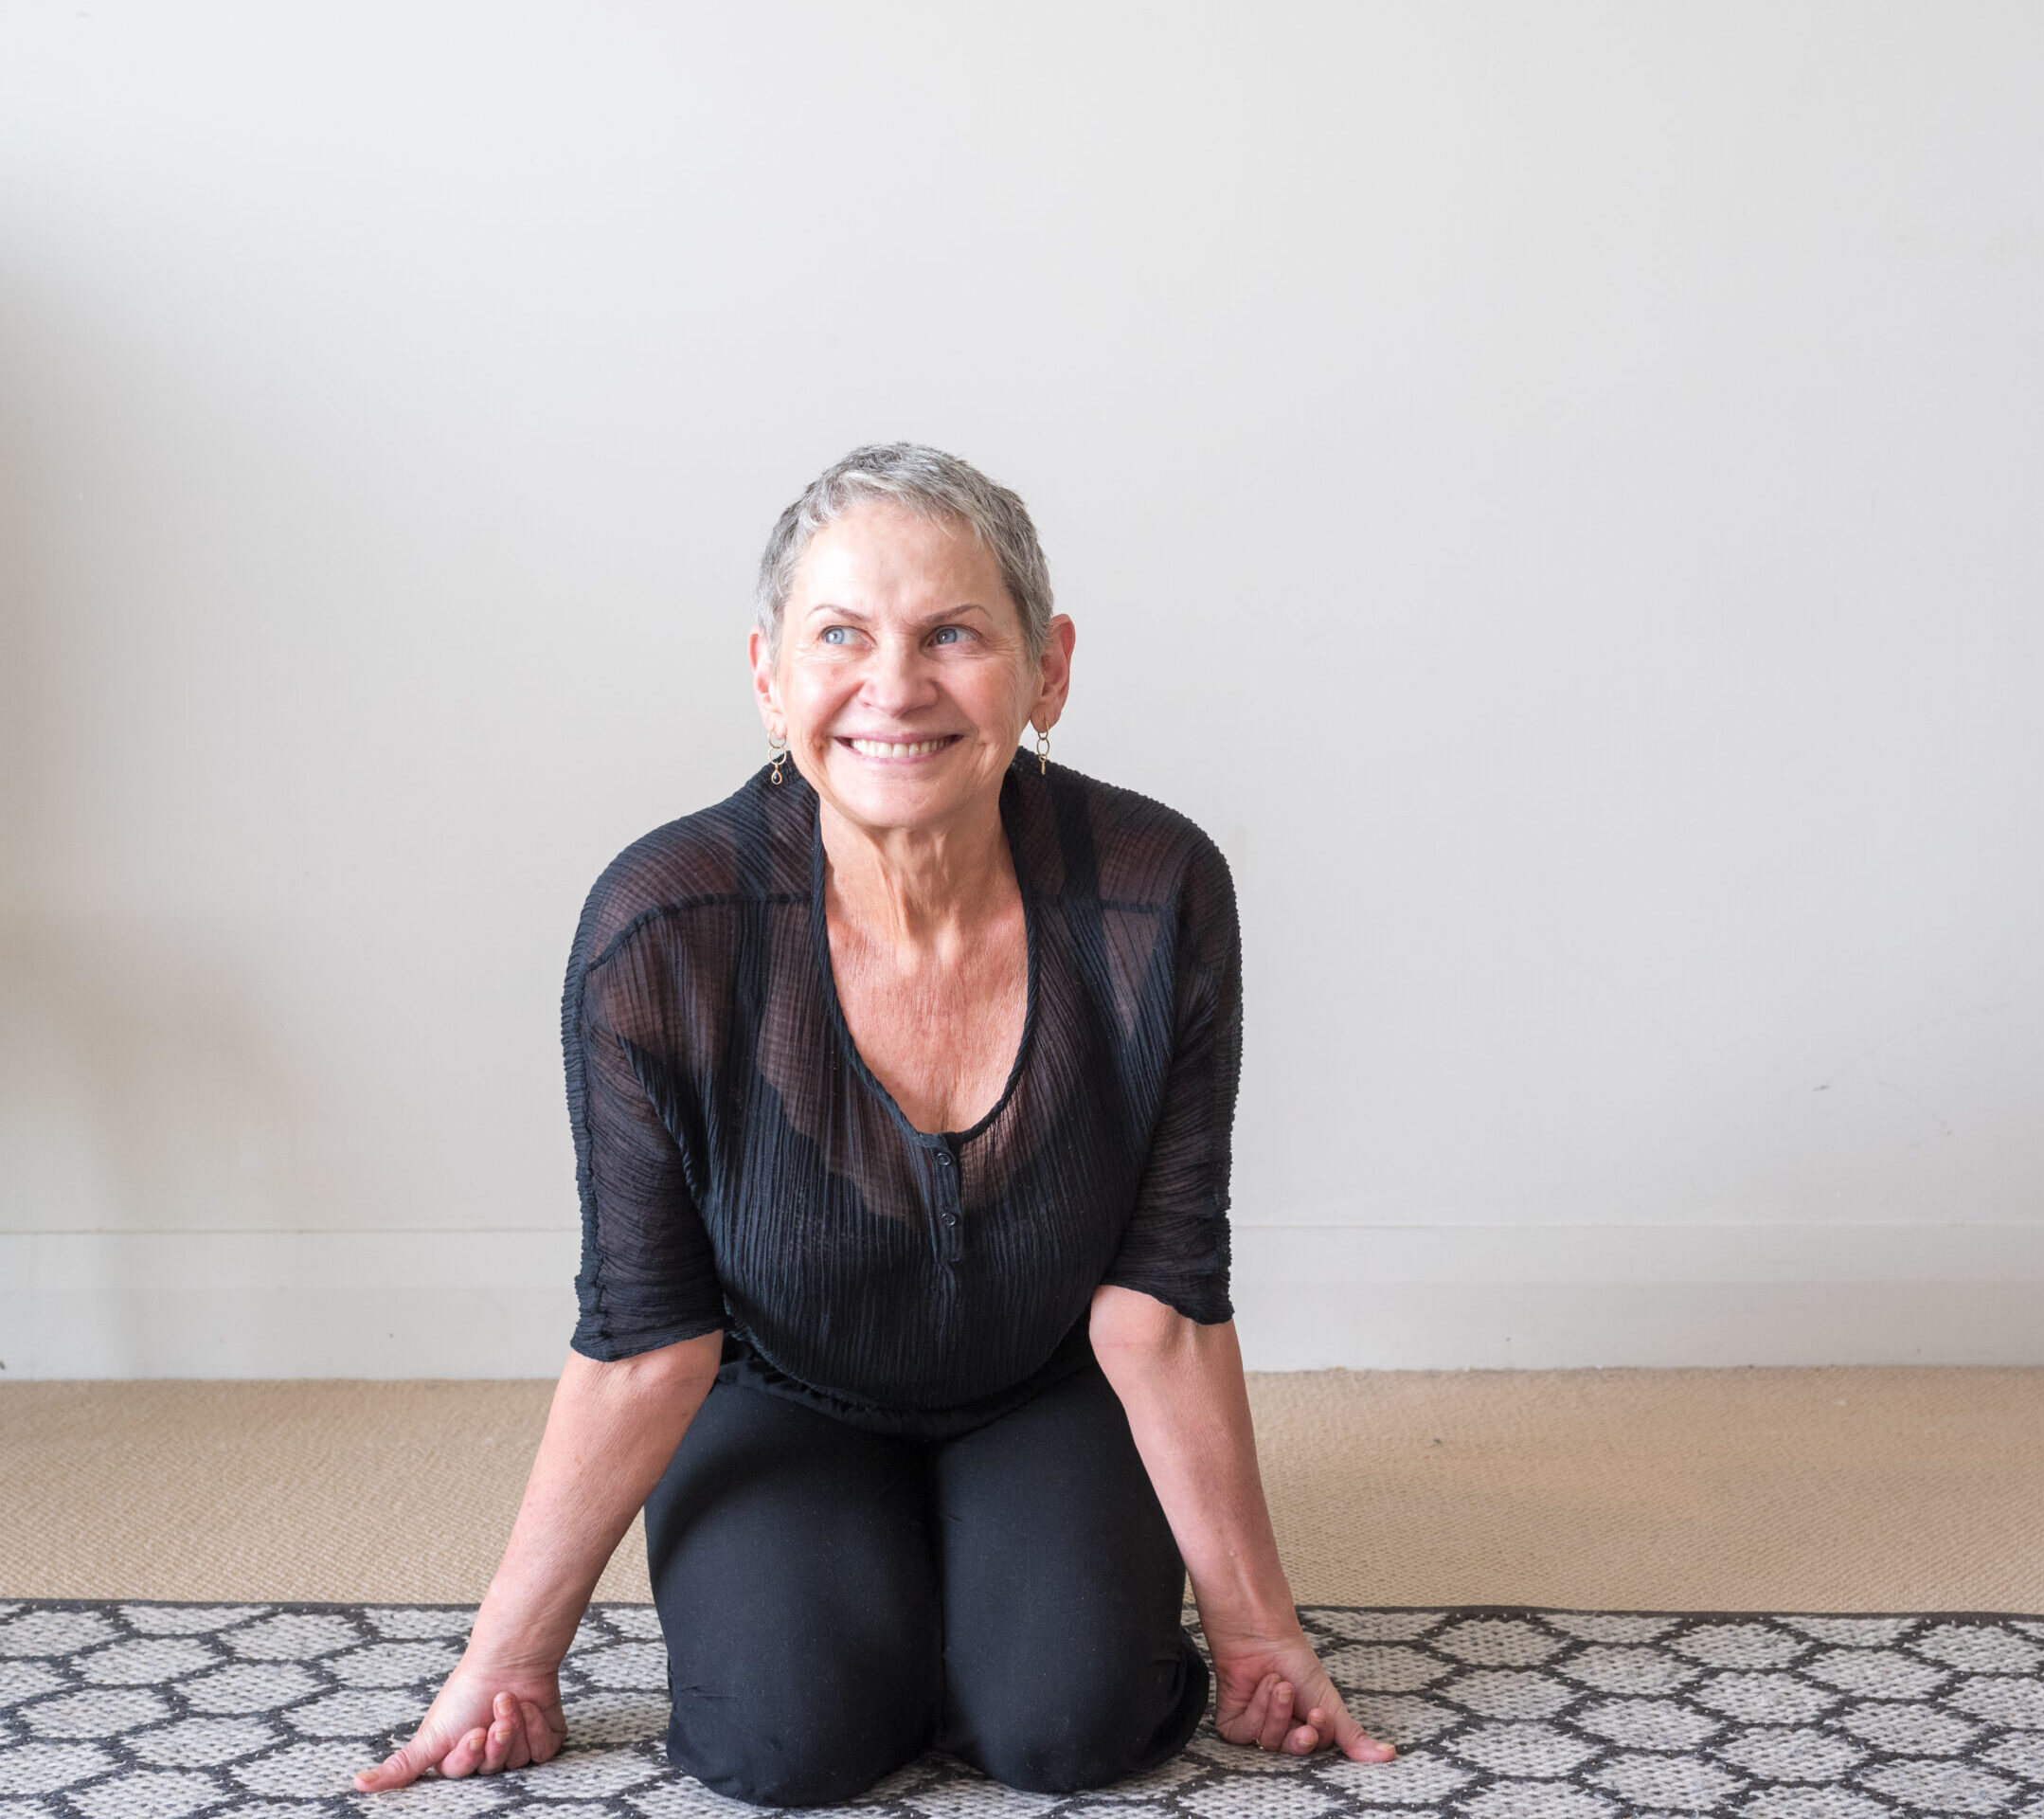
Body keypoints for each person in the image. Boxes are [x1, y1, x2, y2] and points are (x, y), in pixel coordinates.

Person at [355, 443, 1393, 1806]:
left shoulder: (1155, 894)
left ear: (1049, 669)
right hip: (776, 1389)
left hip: (1049, 1380)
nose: (893, 687)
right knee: (787, 1746)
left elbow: (1163, 1301)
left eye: (952, 633)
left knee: (1066, 1732)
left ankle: (994, 1592)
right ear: (769, 675)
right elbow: (644, 1342)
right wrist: (510, 1660)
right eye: (840, 635)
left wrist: (1259, 1629)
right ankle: (885, 1596)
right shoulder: (663, 929)